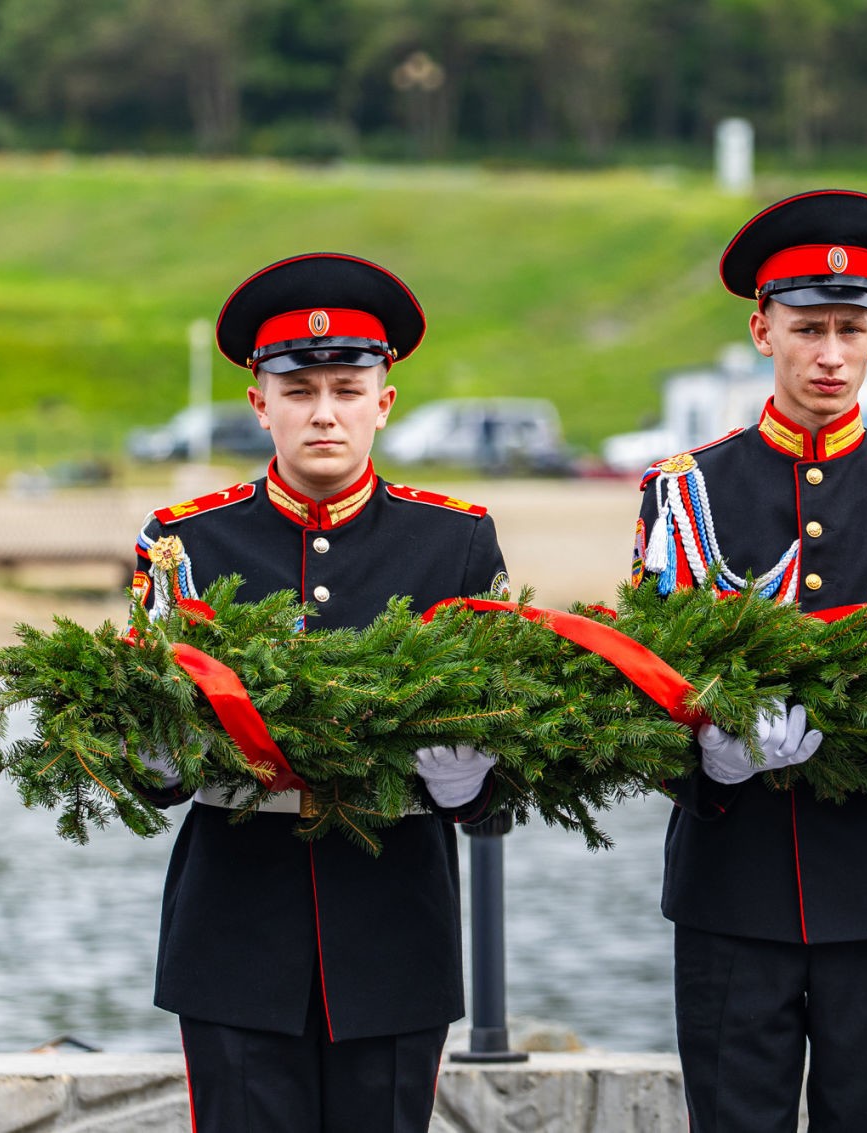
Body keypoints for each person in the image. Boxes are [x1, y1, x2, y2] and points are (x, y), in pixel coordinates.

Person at [131, 252, 507, 1132]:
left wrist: (473, 781)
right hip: (234, 931)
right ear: (259, 402)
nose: (325, 412)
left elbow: (510, 751)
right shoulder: (185, 543)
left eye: (347, 387)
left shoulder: (453, 541)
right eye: (299, 390)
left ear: (386, 400)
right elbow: (150, 769)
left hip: (394, 928)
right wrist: (154, 756)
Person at [634, 189, 867, 1132]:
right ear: (763, 331)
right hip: (729, 885)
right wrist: (706, 760)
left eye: (849, 330)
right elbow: (646, 688)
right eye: (807, 329)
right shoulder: (687, 491)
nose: (830, 354)